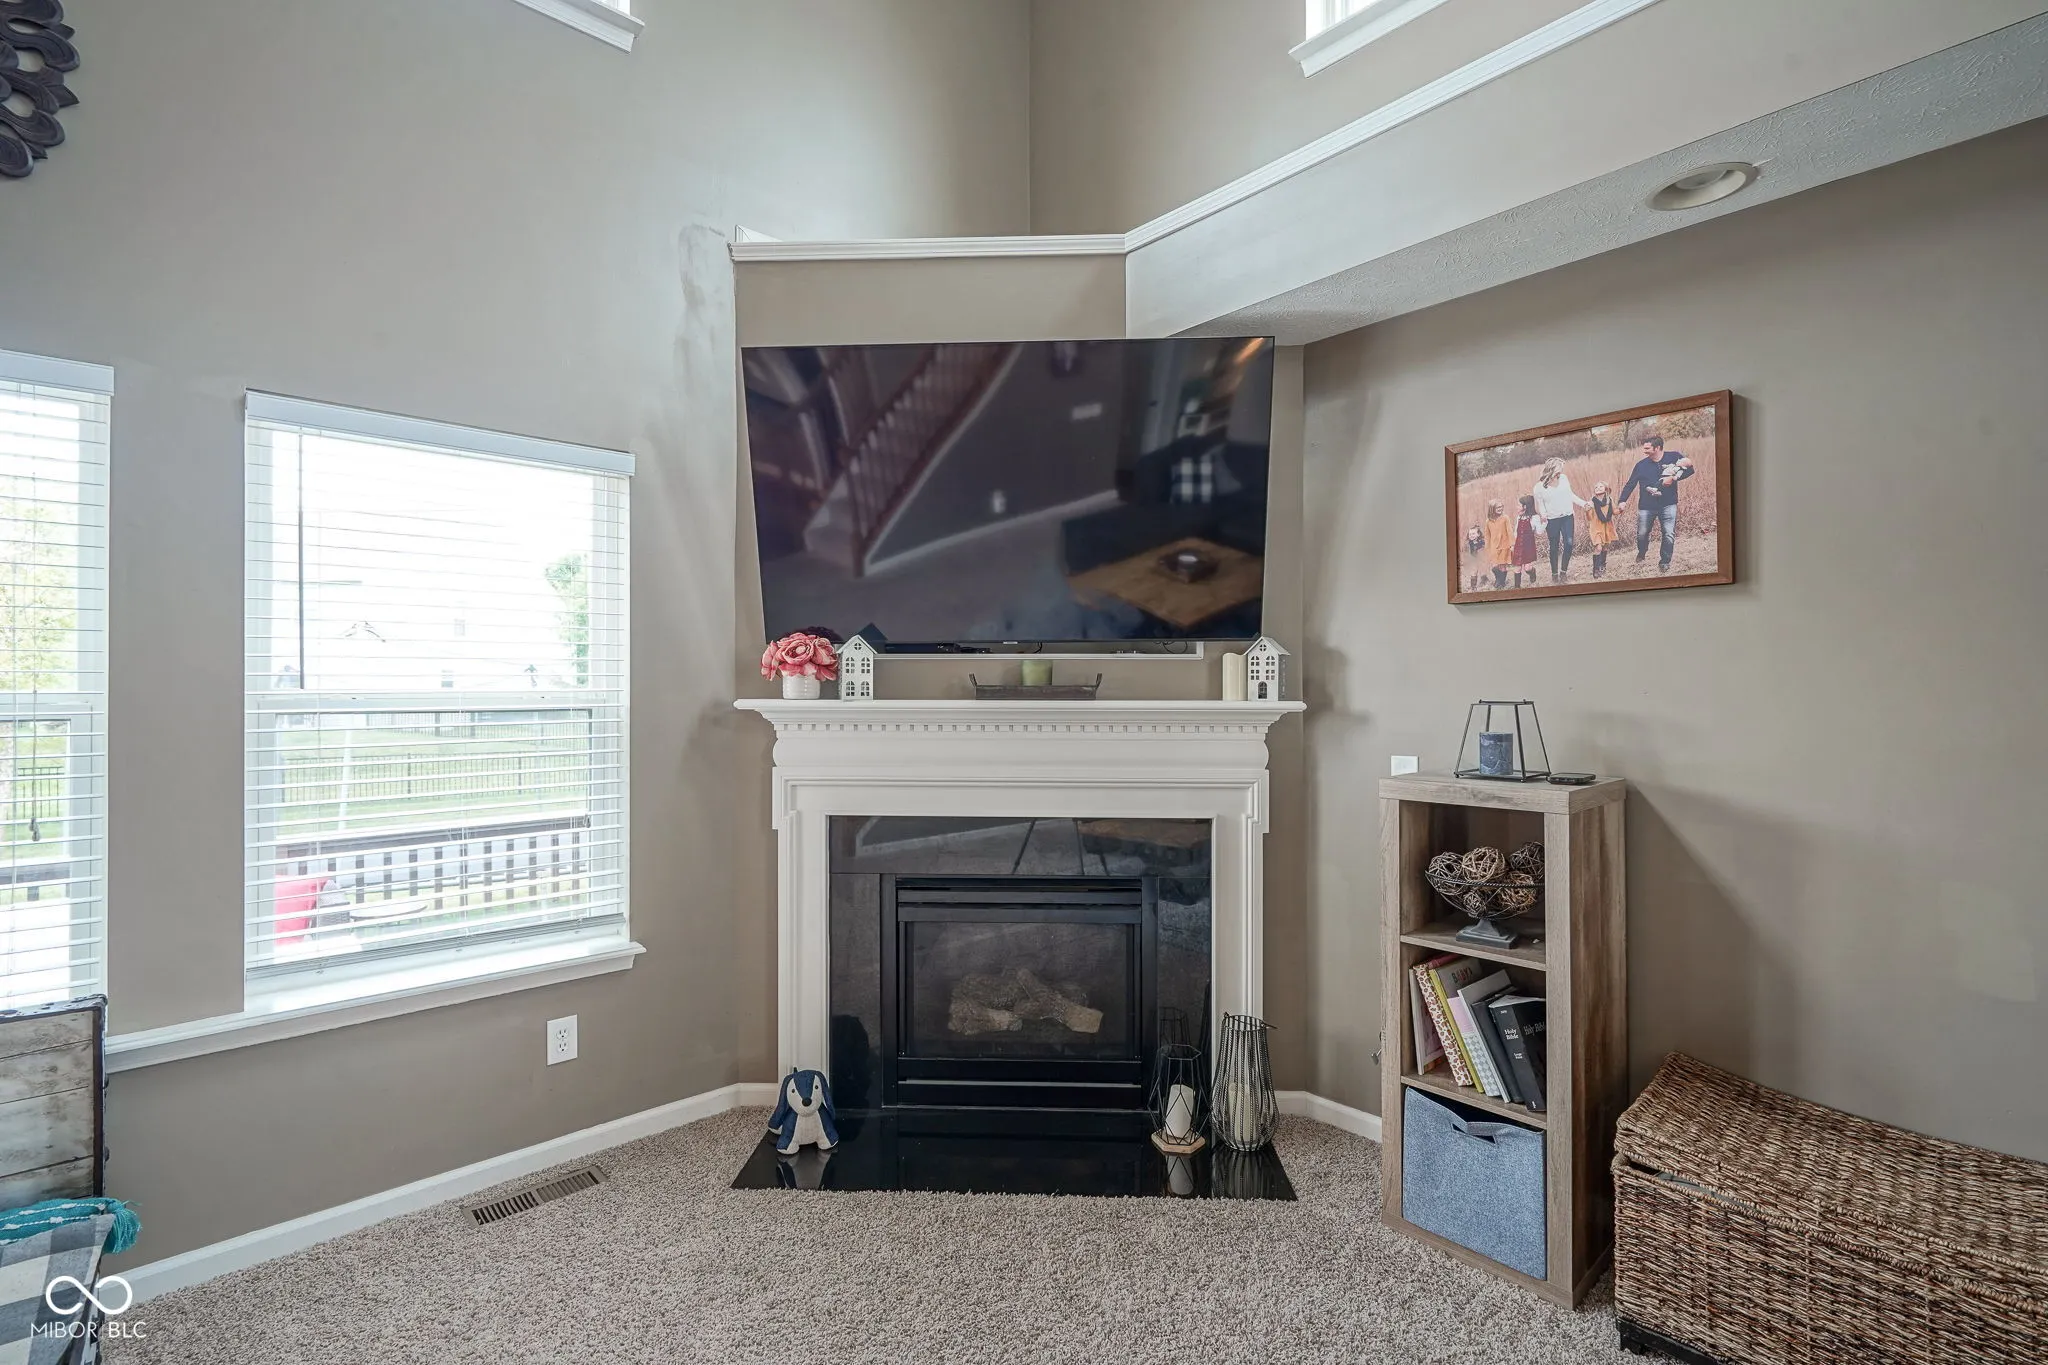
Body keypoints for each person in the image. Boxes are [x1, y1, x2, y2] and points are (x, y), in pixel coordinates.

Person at [1617, 433, 1694, 571]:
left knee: (1668, 533)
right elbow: (1630, 484)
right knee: (1642, 534)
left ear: (1657, 448)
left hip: (1668, 503)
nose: (1644, 451)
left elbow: (1690, 469)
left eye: (1647, 448)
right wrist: (1622, 500)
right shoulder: (1641, 465)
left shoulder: (1674, 456)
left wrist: (1673, 479)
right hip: (1646, 506)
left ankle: (1665, 562)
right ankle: (1642, 552)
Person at [1531, 456, 1592, 583]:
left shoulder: (1564, 479)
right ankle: (1554, 573)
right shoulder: (1539, 487)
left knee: (1569, 543)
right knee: (1554, 546)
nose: (1561, 472)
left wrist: (1583, 503)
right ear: (1551, 469)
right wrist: (1543, 515)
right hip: (1552, 520)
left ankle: (1563, 572)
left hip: (1567, 517)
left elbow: (1570, 495)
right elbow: (1541, 505)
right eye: (1559, 469)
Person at [1584, 480, 1620, 577]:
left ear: (1606, 489)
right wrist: (1587, 511)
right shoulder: (1591, 502)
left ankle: (1602, 566)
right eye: (1596, 487)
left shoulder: (1609, 500)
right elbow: (1589, 518)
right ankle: (1595, 570)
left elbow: (1615, 511)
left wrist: (1621, 509)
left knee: (1605, 547)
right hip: (1596, 527)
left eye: (1600, 486)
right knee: (1598, 547)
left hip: (1606, 526)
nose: (1598, 488)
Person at [1482, 499, 1514, 589]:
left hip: (1504, 546)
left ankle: (1502, 583)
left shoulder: (1505, 518)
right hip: (1493, 547)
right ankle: (1499, 580)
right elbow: (1487, 536)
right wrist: (1487, 548)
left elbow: (1510, 531)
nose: (1500, 509)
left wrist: (1512, 544)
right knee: (1495, 566)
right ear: (1492, 509)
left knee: (1502, 565)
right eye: (1498, 507)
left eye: (1501, 507)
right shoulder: (1488, 521)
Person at [1511, 495, 1540, 588]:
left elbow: (1539, 531)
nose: (1517, 507)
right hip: (1518, 545)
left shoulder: (1534, 518)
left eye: (1518, 505)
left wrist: (1544, 522)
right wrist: (1513, 544)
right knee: (1517, 567)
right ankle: (1517, 587)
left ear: (1525, 506)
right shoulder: (1519, 517)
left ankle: (1532, 572)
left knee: (1527, 568)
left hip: (1528, 546)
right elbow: (1516, 532)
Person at [1463, 524, 1486, 592]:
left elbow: (1484, 551)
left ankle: (1484, 580)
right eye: (1470, 534)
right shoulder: (1468, 543)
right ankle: (1473, 586)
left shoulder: (1482, 542)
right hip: (1473, 559)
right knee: (1474, 571)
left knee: (1483, 570)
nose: (1471, 535)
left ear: (1478, 534)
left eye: (1473, 534)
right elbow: (1466, 552)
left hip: (1481, 559)